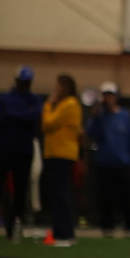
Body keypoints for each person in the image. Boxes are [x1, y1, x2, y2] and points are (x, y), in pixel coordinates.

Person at [0, 66, 43, 240]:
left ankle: (13, 229)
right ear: (16, 81)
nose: (24, 85)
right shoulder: (4, 98)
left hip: (23, 151)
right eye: (22, 81)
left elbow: (35, 117)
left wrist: (11, 115)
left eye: (27, 82)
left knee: (20, 191)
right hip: (2, 149)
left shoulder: (34, 100)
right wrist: (22, 117)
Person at [87, 82, 130, 237]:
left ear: (116, 97)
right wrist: (94, 117)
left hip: (123, 163)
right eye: (105, 95)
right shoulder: (100, 116)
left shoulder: (125, 116)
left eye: (110, 95)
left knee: (127, 196)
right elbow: (92, 134)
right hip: (104, 163)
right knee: (105, 197)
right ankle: (107, 227)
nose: (108, 98)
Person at [41, 74, 82, 247]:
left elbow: (48, 123)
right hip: (54, 153)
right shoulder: (64, 104)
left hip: (62, 153)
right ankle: (59, 233)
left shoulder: (69, 103)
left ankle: (66, 235)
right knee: (55, 195)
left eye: (58, 86)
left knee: (61, 195)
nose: (55, 89)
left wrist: (48, 104)